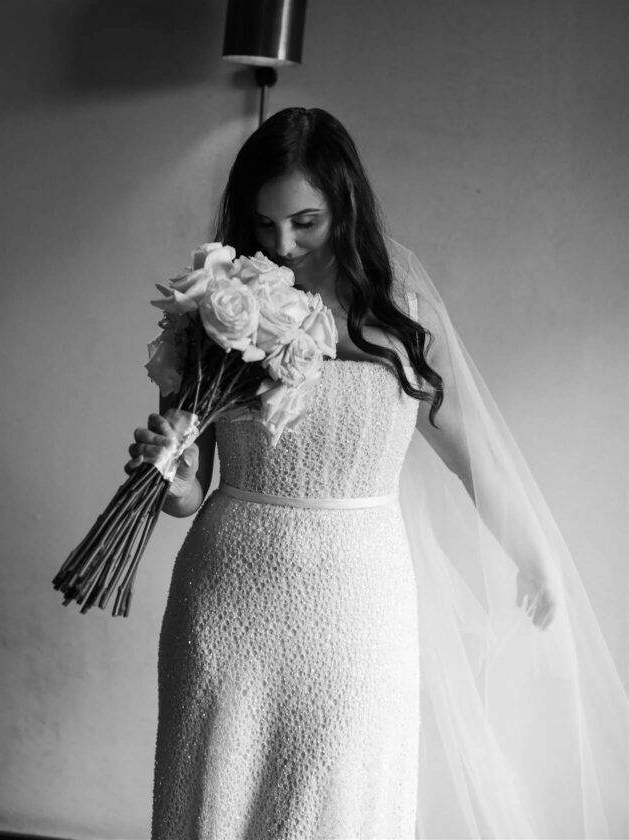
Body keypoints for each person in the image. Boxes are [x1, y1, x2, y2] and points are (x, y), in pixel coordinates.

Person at [126, 108, 627, 839]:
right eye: (264, 226)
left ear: (344, 207)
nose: (283, 245)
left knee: (337, 795)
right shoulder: (215, 309)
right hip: (229, 588)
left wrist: (532, 550)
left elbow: (470, 453)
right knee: (217, 796)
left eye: (305, 221)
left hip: (358, 598)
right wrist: (168, 482)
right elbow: (191, 489)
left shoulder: (400, 314)